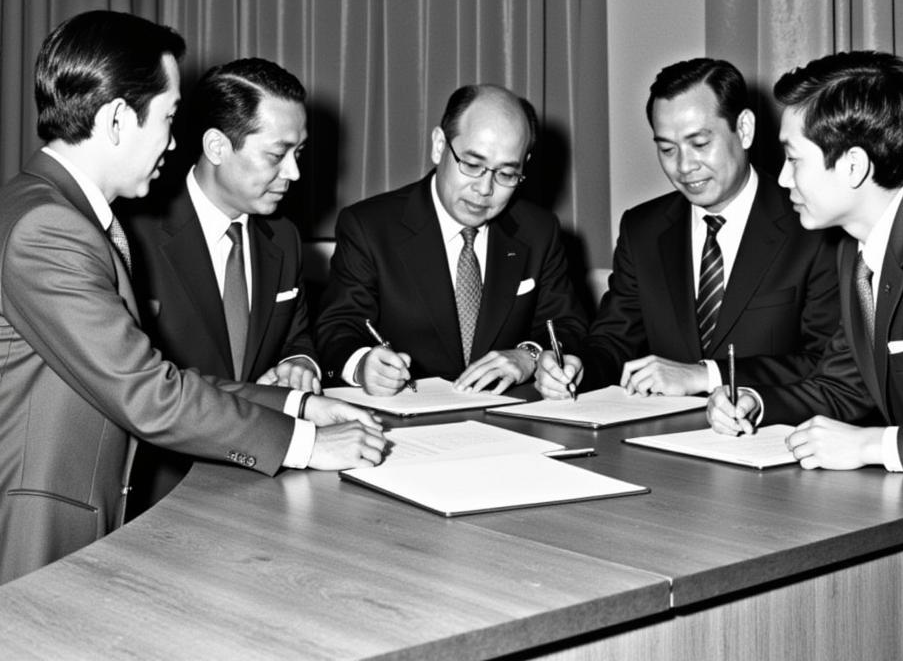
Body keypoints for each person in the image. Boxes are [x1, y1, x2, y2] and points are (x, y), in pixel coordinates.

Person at [0, 11, 387, 584]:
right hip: (43, 522)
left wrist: (295, 404)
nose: (174, 140)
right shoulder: (49, 228)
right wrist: (307, 444)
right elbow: (147, 394)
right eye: (168, 118)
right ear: (115, 120)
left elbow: (152, 373)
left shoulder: (53, 211)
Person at [708, 50, 903, 480]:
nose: (782, 179)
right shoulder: (857, 246)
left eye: (794, 159)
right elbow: (842, 386)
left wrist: (870, 445)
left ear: (853, 165)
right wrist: (754, 401)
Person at [535, 58, 838, 400]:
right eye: (667, 149)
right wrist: (577, 368)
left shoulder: (813, 226)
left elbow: (826, 363)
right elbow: (614, 340)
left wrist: (706, 376)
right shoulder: (642, 229)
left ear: (745, 129)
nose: (683, 166)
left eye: (700, 144)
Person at [125, 58, 322, 513]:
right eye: (277, 154)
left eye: (299, 153)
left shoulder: (284, 238)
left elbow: (297, 334)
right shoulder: (134, 234)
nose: (293, 173)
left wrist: (299, 362)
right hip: (157, 497)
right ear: (216, 146)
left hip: (263, 488)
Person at [315, 83, 587, 395]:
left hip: (509, 420)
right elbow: (338, 327)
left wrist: (530, 356)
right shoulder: (369, 227)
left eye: (506, 174)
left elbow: (569, 326)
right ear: (439, 145)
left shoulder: (539, 231)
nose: (484, 189)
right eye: (472, 165)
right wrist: (363, 364)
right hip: (407, 419)